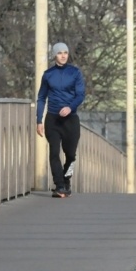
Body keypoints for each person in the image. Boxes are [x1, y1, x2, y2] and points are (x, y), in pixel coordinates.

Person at [36, 42, 85, 198]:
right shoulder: (48, 75)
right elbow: (41, 98)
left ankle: (66, 180)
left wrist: (70, 107)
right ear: (54, 55)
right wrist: (39, 120)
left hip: (71, 120)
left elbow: (80, 95)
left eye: (65, 52)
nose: (63, 56)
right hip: (53, 119)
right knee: (54, 152)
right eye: (59, 53)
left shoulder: (75, 73)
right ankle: (59, 186)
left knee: (71, 155)